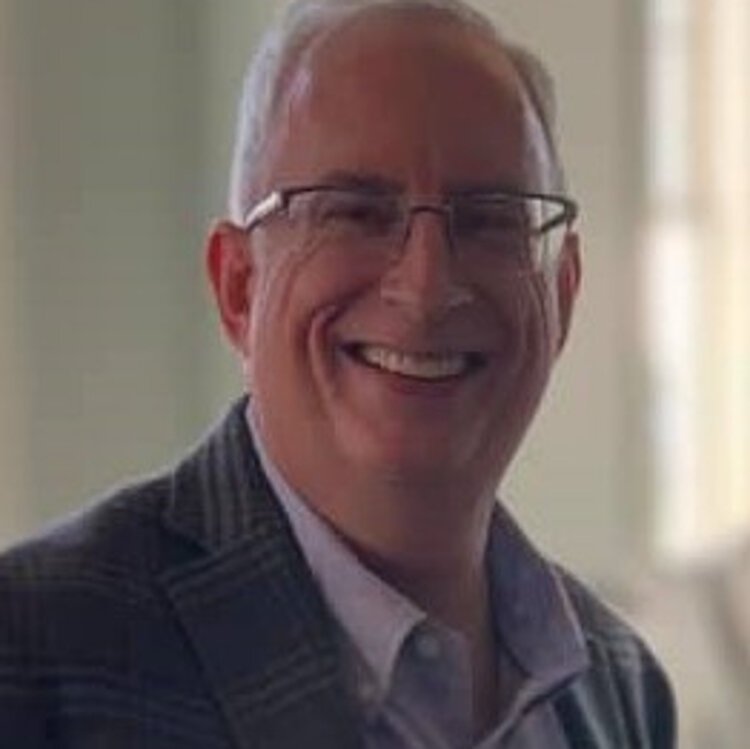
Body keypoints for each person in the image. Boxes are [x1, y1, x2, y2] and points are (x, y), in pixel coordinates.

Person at [0, 0, 676, 746]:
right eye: (355, 212)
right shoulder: (33, 655)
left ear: (563, 293)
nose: (427, 287)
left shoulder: (621, 685)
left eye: (490, 217)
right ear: (239, 287)